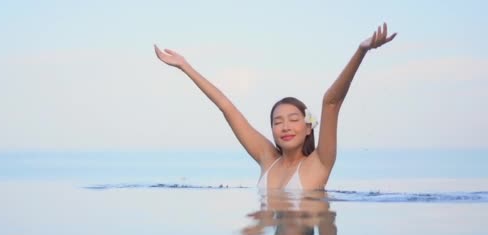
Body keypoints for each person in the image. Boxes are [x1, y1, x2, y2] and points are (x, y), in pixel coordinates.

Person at [155, 23, 396, 191]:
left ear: (308, 127)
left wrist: (361, 51)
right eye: (278, 122)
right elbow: (226, 107)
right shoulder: (267, 159)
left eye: (293, 120)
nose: (285, 127)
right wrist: (185, 66)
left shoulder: (319, 162)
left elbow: (331, 102)